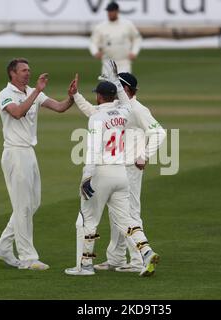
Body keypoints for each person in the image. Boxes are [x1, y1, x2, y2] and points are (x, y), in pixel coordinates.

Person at [64, 75, 160, 277]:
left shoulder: (96, 118)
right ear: (113, 95)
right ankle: (146, 252)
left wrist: (86, 177)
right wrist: (78, 95)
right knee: (126, 219)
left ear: (99, 97)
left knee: (87, 219)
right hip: (121, 174)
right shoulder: (124, 112)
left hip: (101, 171)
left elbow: (92, 149)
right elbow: (123, 102)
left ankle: (85, 266)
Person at [0, 58, 76, 270]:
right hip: (14, 153)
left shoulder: (32, 91)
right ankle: (28, 259)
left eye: (29, 70)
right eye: (23, 70)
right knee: (22, 207)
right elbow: (17, 113)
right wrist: (36, 92)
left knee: (33, 203)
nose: (28, 73)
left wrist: (72, 96)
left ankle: (2, 246)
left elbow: (59, 107)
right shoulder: (5, 94)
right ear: (12, 73)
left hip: (29, 153)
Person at [89, 1, 142, 74]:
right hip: (108, 63)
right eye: (108, 11)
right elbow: (93, 41)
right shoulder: (100, 27)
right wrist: (95, 52)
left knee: (123, 84)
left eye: (112, 11)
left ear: (117, 11)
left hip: (124, 62)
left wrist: (134, 52)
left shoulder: (127, 25)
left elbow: (137, 39)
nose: (110, 13)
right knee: (108, 85)